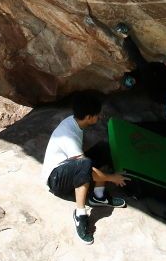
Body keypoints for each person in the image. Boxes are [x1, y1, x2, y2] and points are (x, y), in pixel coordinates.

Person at [41, 91, 130, 244]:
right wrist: (111, 178)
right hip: (55, 180)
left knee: (102, 148)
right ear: (89, 117)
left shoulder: (74, 121)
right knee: (85, 164)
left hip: (69, 167)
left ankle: (99, 196)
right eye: (97, 115)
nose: (99, 117)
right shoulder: (67, 134)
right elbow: (85, 167)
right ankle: (80, 214)